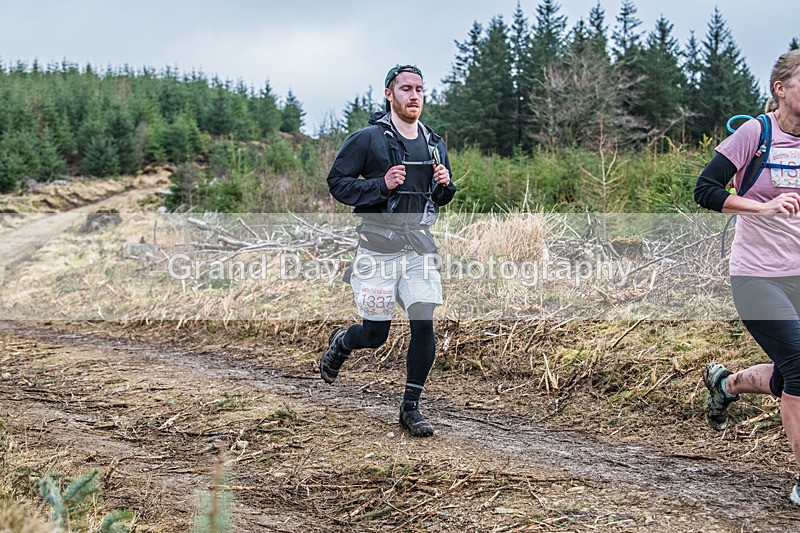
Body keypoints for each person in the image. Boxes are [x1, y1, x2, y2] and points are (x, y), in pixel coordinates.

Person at [320, 65, 456, 437]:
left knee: (423, 321)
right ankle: (343, 342)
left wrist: (446, 185)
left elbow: (437, 198)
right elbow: (338, 184)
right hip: (377, 249)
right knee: (375, 334)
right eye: (405, 88)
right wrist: (381, 184)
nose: (414, 95)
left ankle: (410, 407)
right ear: (389, 94)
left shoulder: (433, 143)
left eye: (419, 89)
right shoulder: (367, 139)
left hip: (419, 248)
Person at [694, 49, 800, 506]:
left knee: (791, 372)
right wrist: (761, 206)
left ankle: (725, 383)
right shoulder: (755, 134)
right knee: (799, 364)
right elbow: (706, 189)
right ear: (781, 88)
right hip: (758, 277)